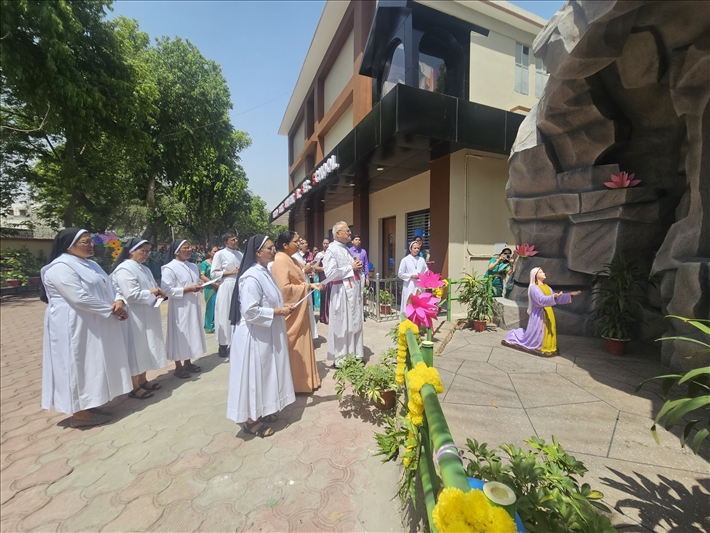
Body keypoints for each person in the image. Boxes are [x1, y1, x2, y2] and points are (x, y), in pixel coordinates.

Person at [40, 228, 133, 427]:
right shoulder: (60, 267)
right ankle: (79, 414)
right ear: (69, 245)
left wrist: (119, 301)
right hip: (73, 325)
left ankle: (90, 404)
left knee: (93, 363)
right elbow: (78, 297)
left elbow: (110, 285)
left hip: (94, 321)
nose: (91, 245)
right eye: (85, 242)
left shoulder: (91, 264)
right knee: (77, 364)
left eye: (91, 241)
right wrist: (112, 310)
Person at [227, 234, 296, 437]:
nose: (274, 251)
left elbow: (269, 300)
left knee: (267, 373)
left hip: (267, 332)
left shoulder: (264, 272)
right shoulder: (251, 277)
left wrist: (283, 306)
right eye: (270, 248)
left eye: (274, 247)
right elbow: (250, 311)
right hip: (254, 336)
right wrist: (279, 311)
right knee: (255, 376)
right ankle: (250, 421)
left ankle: (263, 410)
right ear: (258, 253)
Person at [110, 238, 168, 400]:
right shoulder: (124, 269)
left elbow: (151, 289)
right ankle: (133, 386)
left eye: (149, 251)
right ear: (132, 251)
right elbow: (131, 295)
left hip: (147, 313)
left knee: (146, 348)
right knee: (135, 350)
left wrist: (158, 294)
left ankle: (143, 379)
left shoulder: (144, 268)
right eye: (143, 251)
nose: (147, 254)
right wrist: (155, 291)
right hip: (134, 317)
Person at [272, 231, 322, 393]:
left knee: (303, 344)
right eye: (296, 241)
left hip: (301, 308)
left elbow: (302, 273)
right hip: (292, 311)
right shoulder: (280, 261)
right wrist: (307, 286)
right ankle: (295, 384)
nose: (299, 244)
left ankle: (307, 380)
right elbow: (283, 290)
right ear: (285, 245)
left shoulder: (291, 259)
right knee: (295, 348)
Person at [502, 267, 581, 356]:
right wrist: (553, 296)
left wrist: (570, 295)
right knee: (539, 330)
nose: (543, 273)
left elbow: (557, 299)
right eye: (540, 272)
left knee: (549, 329)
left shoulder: (547, 287)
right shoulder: (534, 288)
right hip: (539, 314)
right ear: (535, 276)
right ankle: (538, 345)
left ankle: (548, 345)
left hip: (548, 312)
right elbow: (541, 300)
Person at [161, 239, 206, 378]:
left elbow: (194, 281)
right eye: (185, 248)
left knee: (191, 332)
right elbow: (166, 290)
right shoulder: (169, 268)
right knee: (179, 335)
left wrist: (199, 285)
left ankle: (188, 362)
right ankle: (178, 367)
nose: (189, 250)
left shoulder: (192, 266)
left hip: (193, 305)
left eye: (189, 247)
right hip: (179, 306)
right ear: (177, 251)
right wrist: (188, 289)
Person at [323, 222, 364, 367]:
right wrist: (350, 267)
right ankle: (341, 358)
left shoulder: (346, 249)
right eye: (347, 231)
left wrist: (357, 267)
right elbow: (329, 274)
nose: (349, 233)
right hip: (341, 291)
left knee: (353, 323)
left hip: (352, 289)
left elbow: (351, 268)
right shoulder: (332, 250)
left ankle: (354, 354)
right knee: (342, 324)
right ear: (337, 233)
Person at [211, 232, 243, 357]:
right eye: (232, 240)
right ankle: (223, 345)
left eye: (236, 239)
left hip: (238, 285)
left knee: (238, 314)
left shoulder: (239, 254)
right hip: (227, 285)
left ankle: (236, 342)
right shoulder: (220, 254)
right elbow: (214, 273)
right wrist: (230, 272)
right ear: (225, 242)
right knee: (224, 314)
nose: (235, 241)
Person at [398, 240, 428, 312]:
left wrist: (424, 277)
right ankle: (407, 318)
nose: (417, 250)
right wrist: (411, 276)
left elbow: (426, 271)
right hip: (409, 285)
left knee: (419, 304)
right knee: (408, 303)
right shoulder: (405, 260)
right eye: (415, 248)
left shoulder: (421, 260)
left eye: (418, 248)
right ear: (410, 249)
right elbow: (400, 274)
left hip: (419, 286)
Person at [200, 245, 220, 333]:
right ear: (209, 253)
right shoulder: (205, 263)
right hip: (210, 287)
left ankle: (218, 324)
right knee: (211, 306)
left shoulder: (220, 262)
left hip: (219, 286)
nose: (216, 253)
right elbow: (202, 276)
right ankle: (209, 327)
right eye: (214, 251)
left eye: (217, 251)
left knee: (219, 306)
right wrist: (212, 283)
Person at [316, 239, 331, 324]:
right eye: (324, 243)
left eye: (327, 243)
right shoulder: (319, 255)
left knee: (331, 296)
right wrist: (323, 268)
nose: (326, 245)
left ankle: (331, 316)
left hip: (331, 277)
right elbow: (315, 267)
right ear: (322, 244)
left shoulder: (331, 254)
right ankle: (324, 316)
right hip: (323, 277)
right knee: (324, 295)